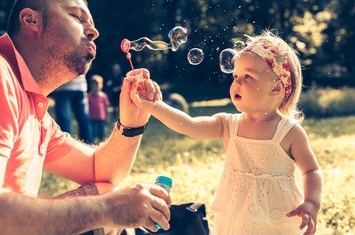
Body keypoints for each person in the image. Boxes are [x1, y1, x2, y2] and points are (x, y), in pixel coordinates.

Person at [0, 0, 171, 234]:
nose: (94, 31)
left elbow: (100, 170)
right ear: (31, 20)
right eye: (77, 17)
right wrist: (107, 209)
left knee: (105, 192)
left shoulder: (35, 109)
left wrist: (132, 122)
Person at [130, 30, 323, 235]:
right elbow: (189, 124)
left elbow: (311, 171)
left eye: (248, 76)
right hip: (235, 218)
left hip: (276, 221)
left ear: (276, 89)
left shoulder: (289, 132)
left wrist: (311, 203)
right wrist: (154, 106)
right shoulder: (228, 125)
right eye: (236, 76)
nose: (237, 83)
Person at [54, 74, 93, 143]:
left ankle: (65, 146)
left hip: (63, 88)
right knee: (83, 119)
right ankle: (88, 146)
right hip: (80, 87)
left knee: (64, 120)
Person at [88, 74, 110, 143]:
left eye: (97, 84)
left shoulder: (104, 96)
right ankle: (92, 144)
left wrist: (107, 118)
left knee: (101, 134)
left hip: (101, 119)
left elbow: (106, 108)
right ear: (91, 85)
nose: (95, 86)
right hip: (92, 119)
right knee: (92, 134)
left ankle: (101, 145)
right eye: (93, 84)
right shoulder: (88, 96)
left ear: (101, 85)